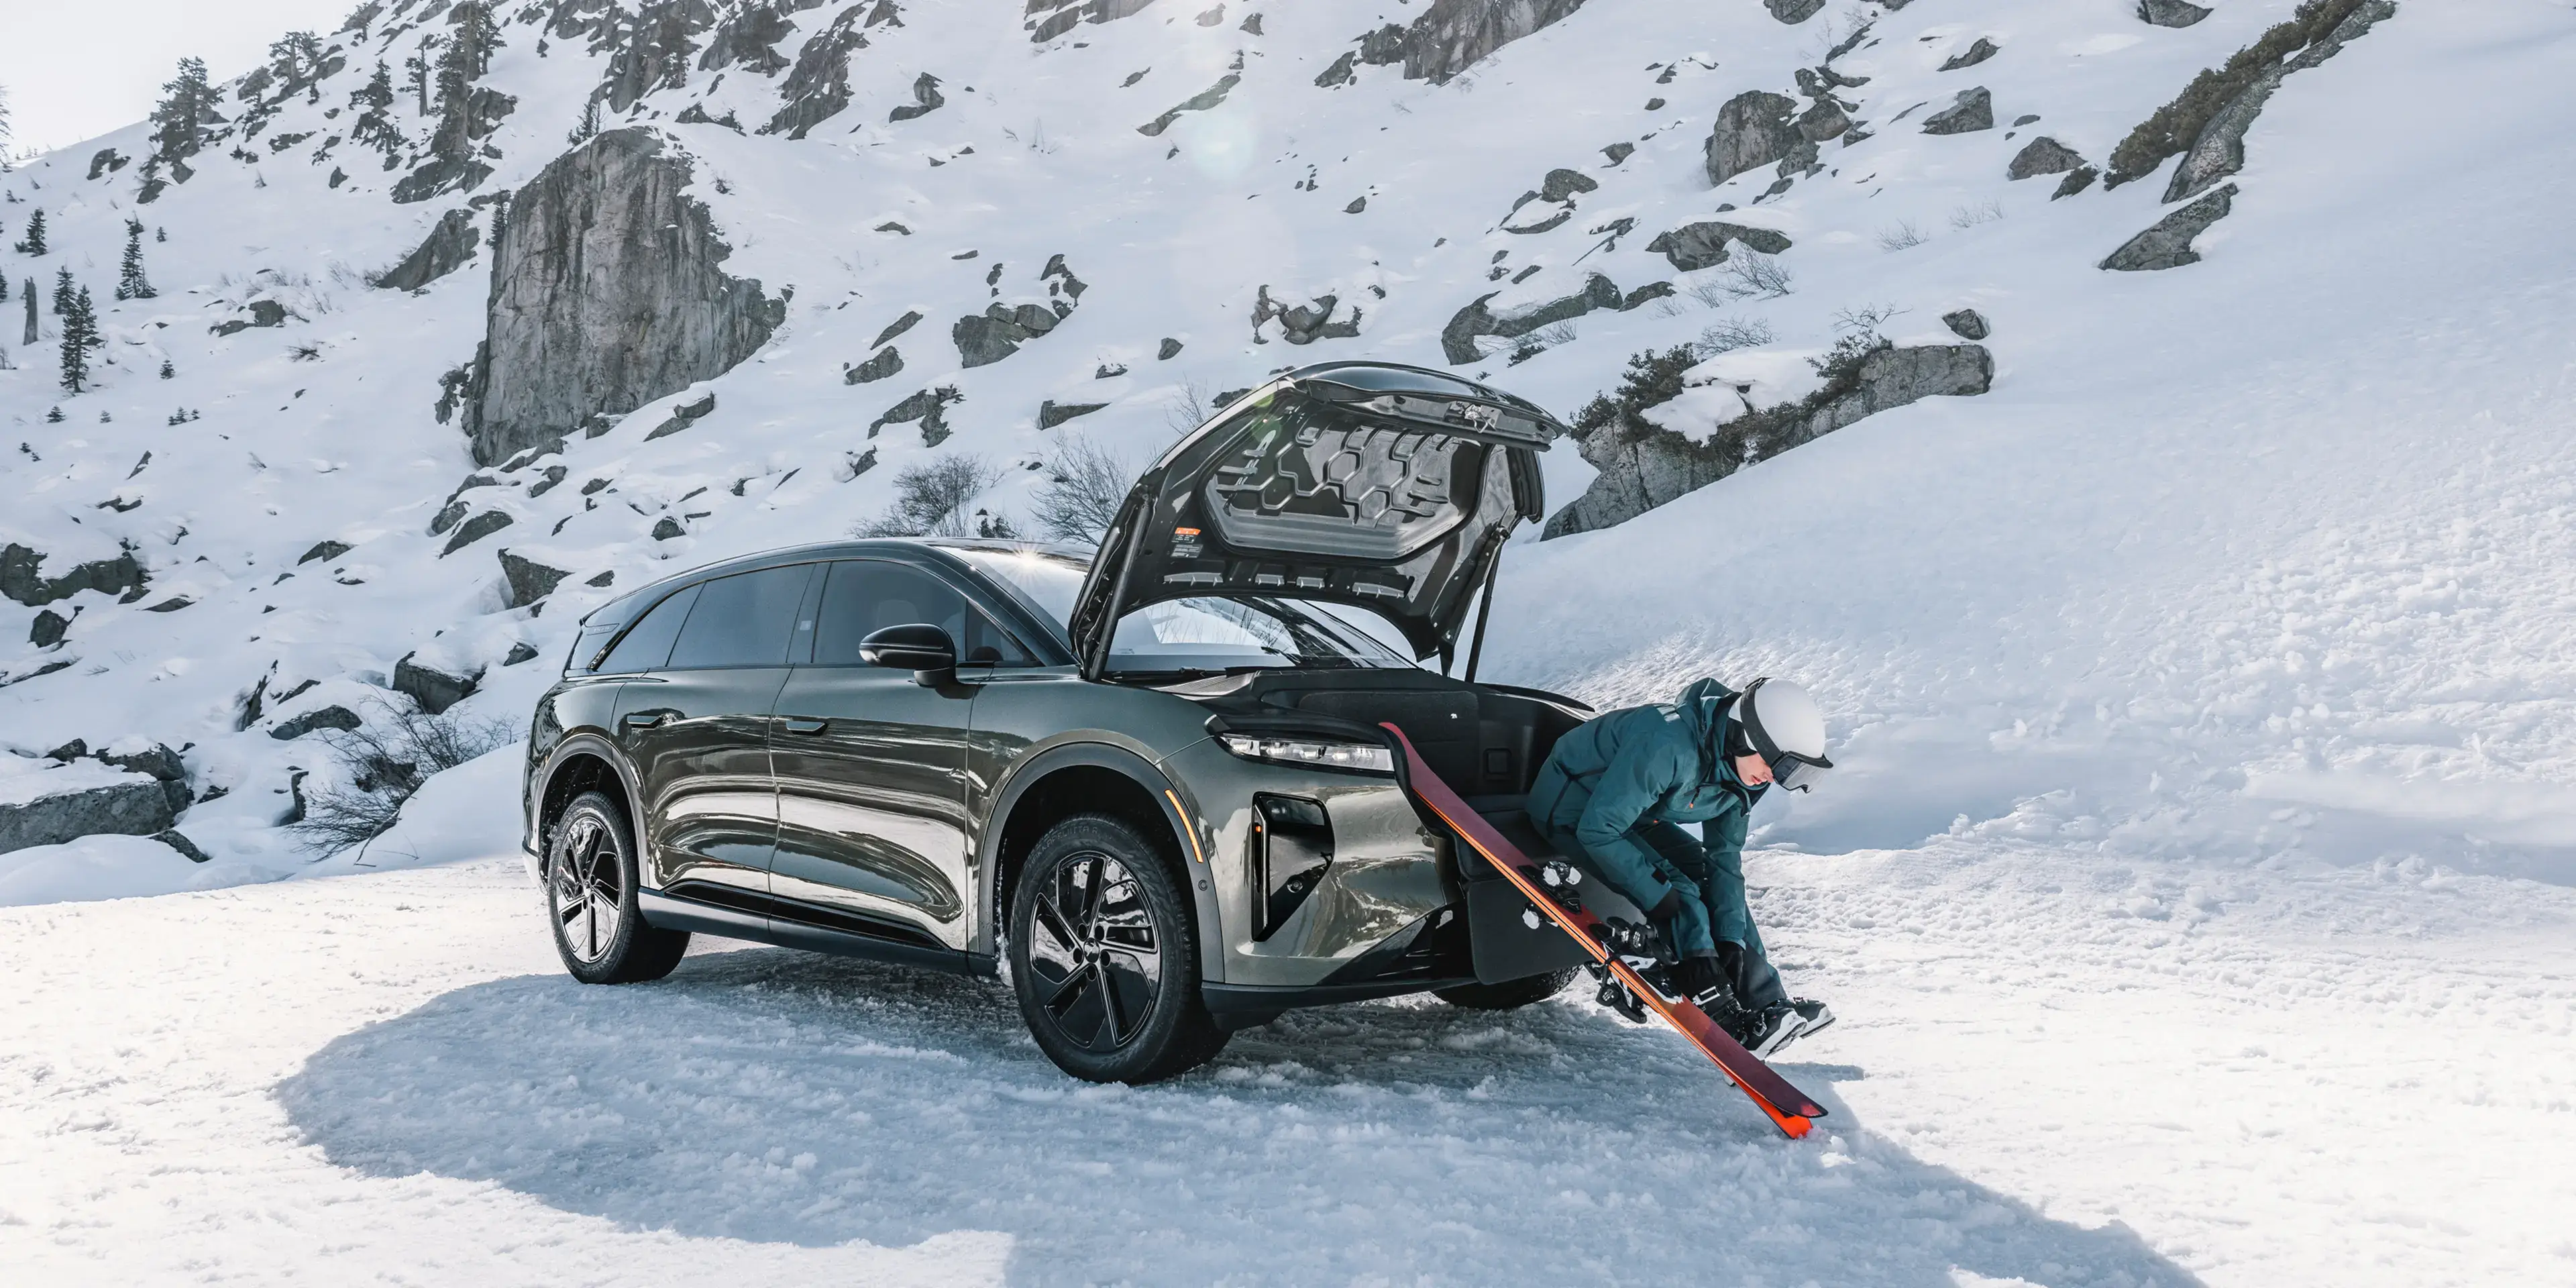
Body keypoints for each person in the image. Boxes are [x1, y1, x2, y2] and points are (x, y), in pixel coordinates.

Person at [1526, 676, 1835, 1056]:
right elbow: (1599, 829)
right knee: (1681, 893)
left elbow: (1724, 862)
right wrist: (1659, 897)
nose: (1773, 777)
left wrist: (1730, 940)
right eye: (1775, 765)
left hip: (1633, 814)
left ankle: (1765, 1002)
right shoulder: (1668, 743)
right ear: (1743, 737)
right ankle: (1718, 1007)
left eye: (1784, 771)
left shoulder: (1747, 775)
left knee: (1718, 891)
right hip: (1571, 809)